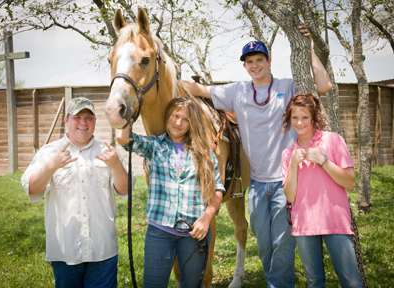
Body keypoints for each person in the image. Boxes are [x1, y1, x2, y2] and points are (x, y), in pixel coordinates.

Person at [182, 24, 332, 287]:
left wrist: (308, 48)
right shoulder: (237, 91)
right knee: (264, 247)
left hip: (287, 181)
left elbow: (324, 85)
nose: (255, 65)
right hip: (257, 185)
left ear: (269, 61)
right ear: (245, 66)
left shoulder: (288, 86)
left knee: (283, 245)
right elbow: (200, 90)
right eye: (249, 62)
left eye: (259, 60)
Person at [21, 97, 133, 288]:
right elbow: (31, 188)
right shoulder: (50, 152)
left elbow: (125, 190)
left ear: (95, 121)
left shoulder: (107, 152)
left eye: (89, 117)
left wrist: (116, 166)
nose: (83, 122)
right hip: (65, 250)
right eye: (77, 117)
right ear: (66, 120)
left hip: (102, 248)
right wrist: (51, 166)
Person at [116, 96, 225, 288]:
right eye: (175, 116)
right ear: (168, 117)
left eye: (185, 119)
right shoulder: (154, 146)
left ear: (192, 124)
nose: (178, 123)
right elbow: (122, 138)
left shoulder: (204, 151)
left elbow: (218, 188)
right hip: (159, 232)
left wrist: (207, 217)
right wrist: (128, 107)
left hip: (194, 233)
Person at [281, 93, 363, 287]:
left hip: (335, 221)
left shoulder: (333, 140)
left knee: (352, 282)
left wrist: (323, 161)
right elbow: (290, 196)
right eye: (294, 118)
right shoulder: (288, 153)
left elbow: (350, 182)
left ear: (314, 117)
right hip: (304, 226)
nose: (299, 123)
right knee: (314, 282)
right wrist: (293, 165)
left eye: (304, 118)